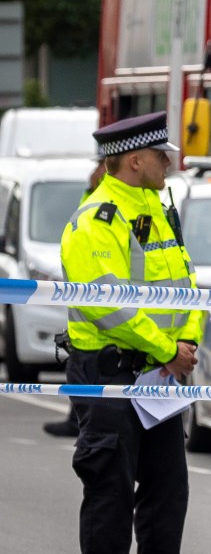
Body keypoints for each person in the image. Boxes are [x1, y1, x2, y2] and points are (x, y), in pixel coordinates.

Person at [61, 111, 211, 554]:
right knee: (109, 486)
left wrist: (187, 342)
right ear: (134, 159)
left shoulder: (157, 208)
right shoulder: (98, 220)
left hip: (159, 375)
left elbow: (186, 282)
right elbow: (110, 306)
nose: (170, 162)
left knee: (166, 487)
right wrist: (166, 348)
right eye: (162, 155)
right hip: (113, 372)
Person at [43, 154, 107, 438]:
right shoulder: (94, 198)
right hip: (87, 313)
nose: (96, 170)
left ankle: (78, 422)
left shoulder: (112, 203)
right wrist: (90, 188)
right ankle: (75, 420)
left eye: (102, 165)